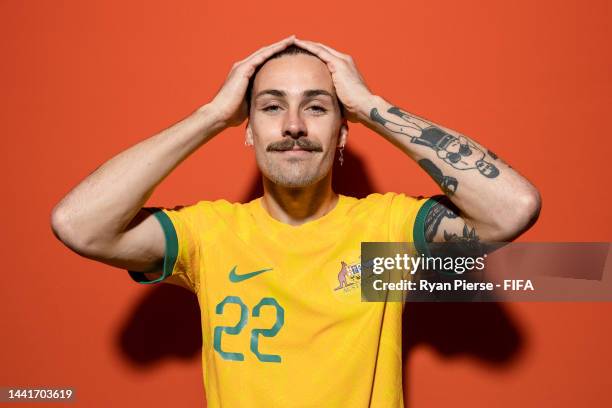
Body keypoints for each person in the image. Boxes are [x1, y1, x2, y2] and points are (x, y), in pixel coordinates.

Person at [50, 35, 541, 407]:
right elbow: (78, 223)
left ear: (343, 131)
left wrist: (372, 106)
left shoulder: (386, 234)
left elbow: (513, 207)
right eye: (270, 107)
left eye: (316, 106)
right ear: (247, 132)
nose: (293, 126)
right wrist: (211, 114)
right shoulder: (208, 236)